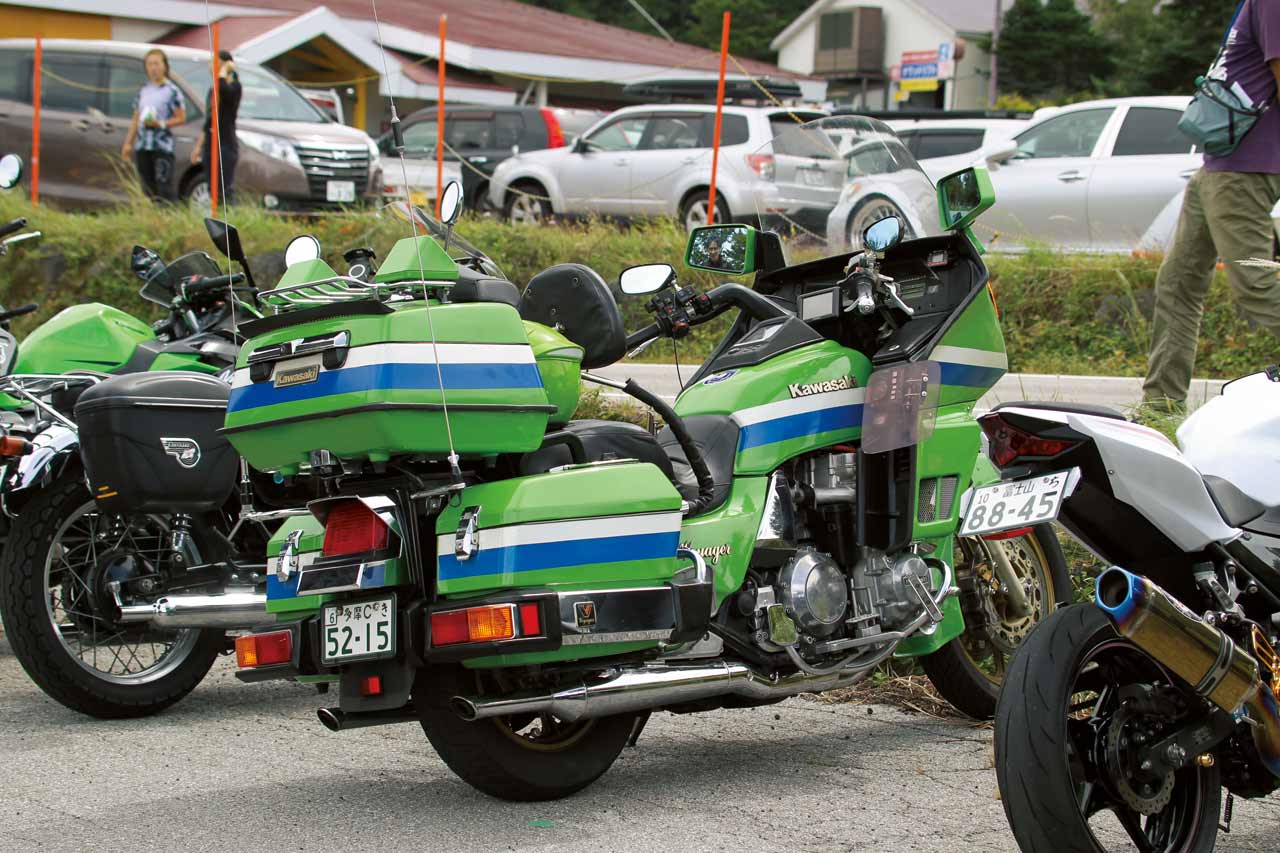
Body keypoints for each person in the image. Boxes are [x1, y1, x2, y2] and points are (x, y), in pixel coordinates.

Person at [1143, 0, 1280, 411]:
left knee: (1255, 283)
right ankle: (1160, 409)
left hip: (1246, 168)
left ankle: (1160, 406)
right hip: (1221, 163)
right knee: (1178, 283)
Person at [120, 48, 186, 202]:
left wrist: (160, 124)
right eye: (150, 64)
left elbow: (181, 118)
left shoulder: (172, 91)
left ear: (164, 66)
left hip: (162, 145)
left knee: (163, 186)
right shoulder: (143, 90)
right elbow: (136, 118)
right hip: (143, 145)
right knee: (148, 188)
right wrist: (128, 143)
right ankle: (153, 218)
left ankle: (168, 217)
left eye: (156, 64)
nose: (153, 68)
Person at [192, 50, 243, 201]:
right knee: (212, 187)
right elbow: (209, 119)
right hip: (210, 141)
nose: (211, 66)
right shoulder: (213, 88)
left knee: (224, 187)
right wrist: (199, 146)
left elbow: (224, 90)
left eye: (216, 62)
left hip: (225, 143)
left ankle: (227, 216)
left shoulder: (234, 86)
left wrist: (225, 70)